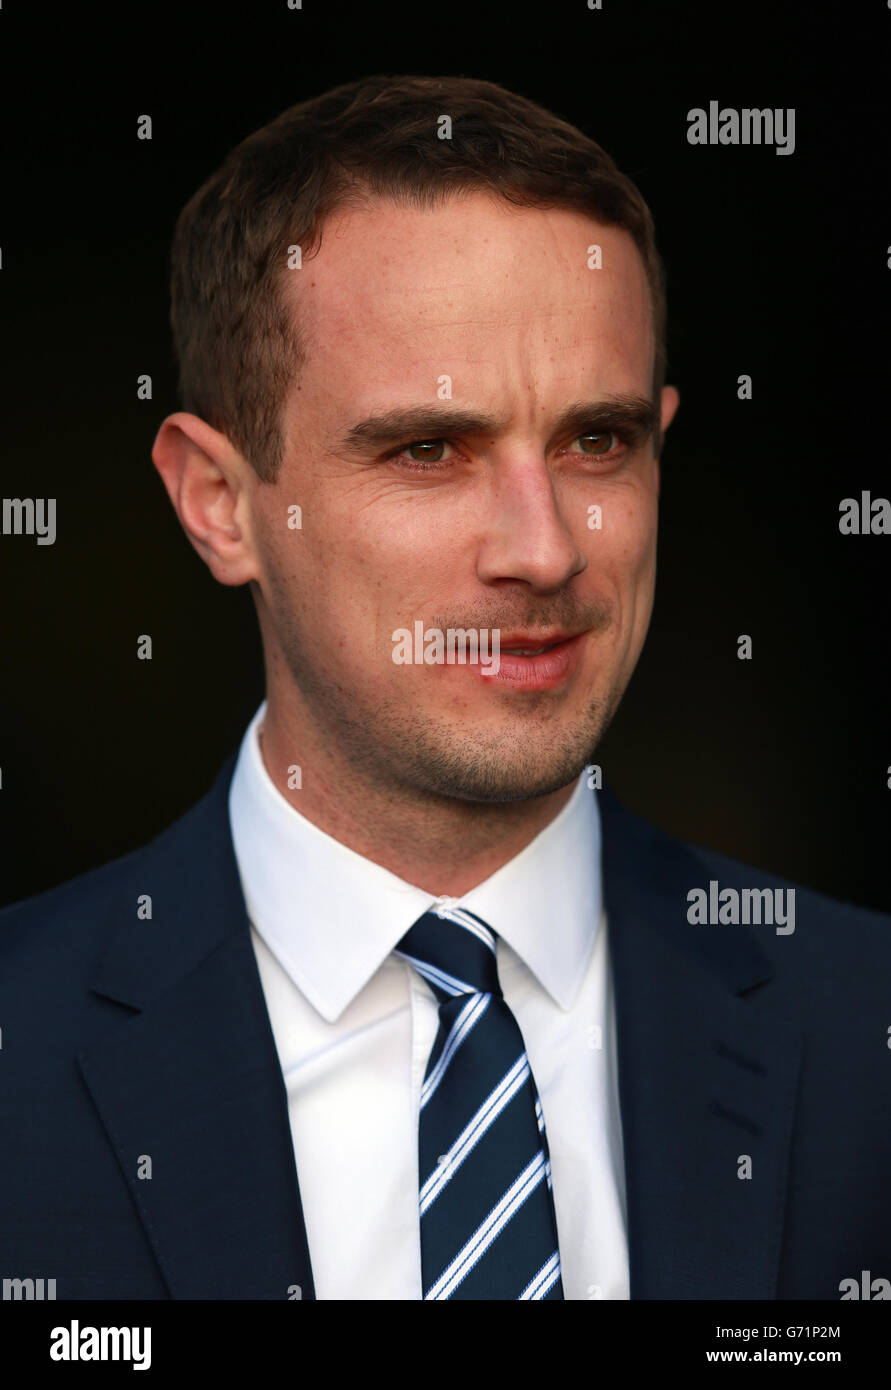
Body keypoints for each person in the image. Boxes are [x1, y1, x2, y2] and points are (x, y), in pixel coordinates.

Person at [1, 74, 889, 1303]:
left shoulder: (865, 1038)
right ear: (220, 504)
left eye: (598, 440)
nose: (544, 548)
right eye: (429, 450)